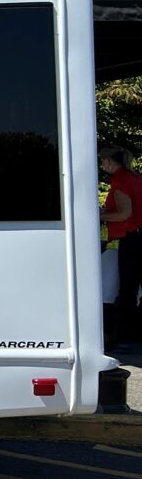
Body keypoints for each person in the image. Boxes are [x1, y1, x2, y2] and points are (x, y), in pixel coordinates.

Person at [100, 145, 142, 344]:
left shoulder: (120, 180)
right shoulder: (134, 177)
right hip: (137, 235)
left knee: (126, 289)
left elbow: (125, 213)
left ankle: (122, 338)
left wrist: (99, 215)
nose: (101, 164)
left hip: (129, 237)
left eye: (102, 160)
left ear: (109, 161)